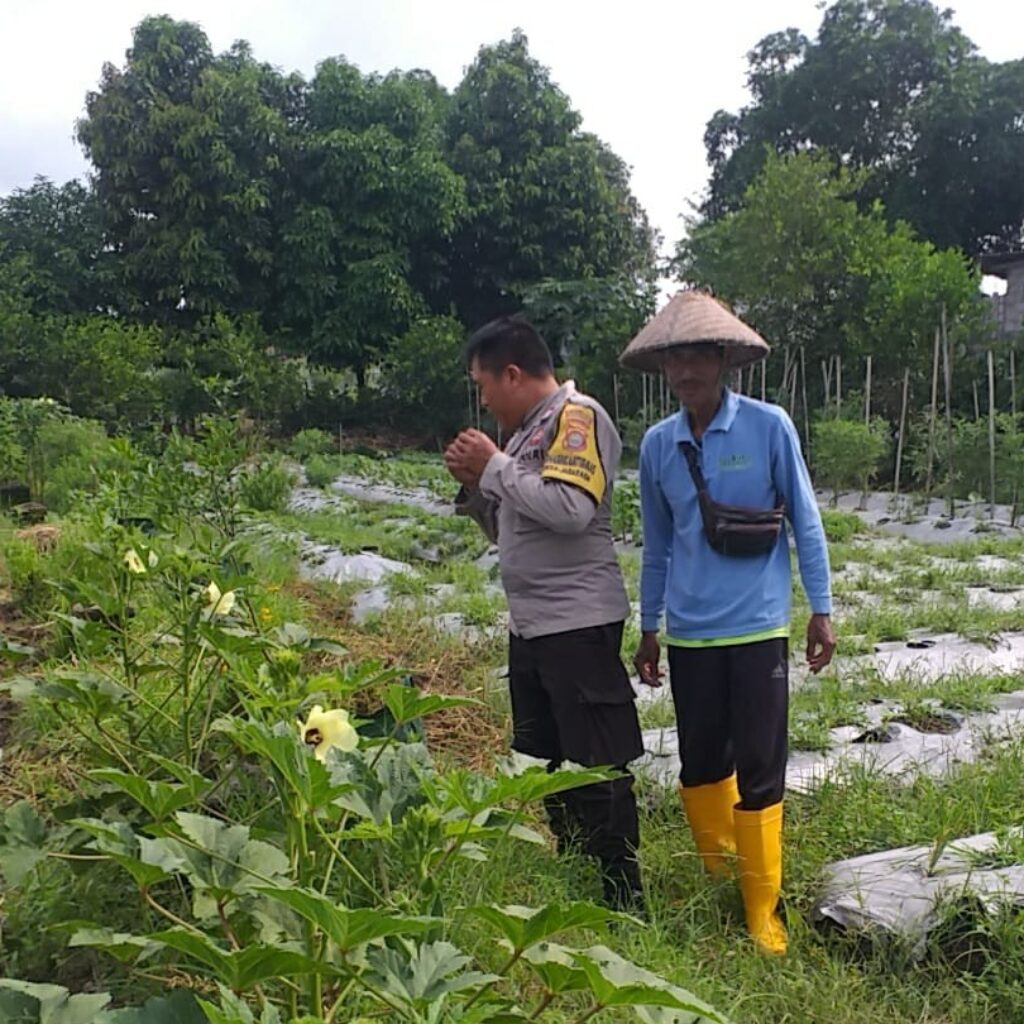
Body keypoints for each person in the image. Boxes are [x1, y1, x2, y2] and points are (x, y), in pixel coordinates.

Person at [621, 291, 835, 954]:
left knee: (762, 765)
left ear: (722, 359)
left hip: (759, 629)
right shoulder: (658, 447)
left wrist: (821, 608)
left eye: (697, 357)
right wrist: (649, 625)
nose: (685, 371)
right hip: (689, 634)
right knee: (700, 762)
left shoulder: (769, 427)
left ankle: (760, 910)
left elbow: (805, 520)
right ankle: (720, 877)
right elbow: (656, 544)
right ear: (664, 369)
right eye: (673, 359)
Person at [443, 315, 645, 912]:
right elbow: (512, 530)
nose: (481, 399)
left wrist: (496, 469)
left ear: (512, 373)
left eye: (483, 384)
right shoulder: (526, 435)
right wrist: (479, 490)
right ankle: (577, 869)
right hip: (532, 626)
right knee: (547, 757)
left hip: (576, 623)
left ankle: (621, 894)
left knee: (596, 761)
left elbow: (570, 510)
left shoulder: (573, 418)